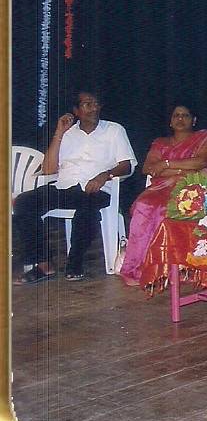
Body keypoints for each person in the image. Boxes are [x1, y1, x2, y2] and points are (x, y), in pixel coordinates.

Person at [13, 90, 136, 284]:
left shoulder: (114, 130)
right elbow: (48, 169)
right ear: (76, 111)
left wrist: (105, 175)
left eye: (96, 104)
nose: (94, 108)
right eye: (88, 104)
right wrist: (59, 133)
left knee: (87, 207)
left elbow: (127, 165)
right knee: (24, 202)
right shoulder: (67, 134)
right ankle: (43, 264)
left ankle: (75, 262)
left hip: (97, 188)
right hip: (65, 186)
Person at [118, 104, 207, 286]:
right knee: (143, 206)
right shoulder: (160, 143)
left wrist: (166, 164)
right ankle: (142, 268)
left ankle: (176, 269)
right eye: (176, 115)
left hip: (192, 189)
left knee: (169, 209)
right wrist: (180, 170)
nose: (180, 119)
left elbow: (201, 162)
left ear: (194, 120)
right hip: (161, 188)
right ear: (170, 121)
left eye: (185, 115)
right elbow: (148, 168)